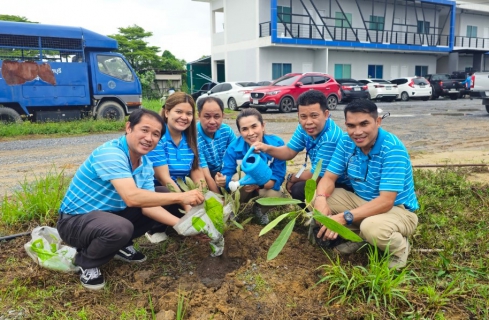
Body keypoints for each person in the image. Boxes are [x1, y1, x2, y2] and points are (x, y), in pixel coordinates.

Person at [57, 109, 205, 290]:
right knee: (121, 227)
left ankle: (120, 245)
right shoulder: (111, 153)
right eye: (144, 130)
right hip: (75, 222)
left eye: (156, 134)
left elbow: (150, 207)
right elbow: (132, 197)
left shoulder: (144, 164)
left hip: (108, 215)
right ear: (129, 128)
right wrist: (182, 196)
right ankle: (86, 261)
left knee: (159, 193)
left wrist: (185, 227)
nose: (149, 138)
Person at [314, 99, 419, 269]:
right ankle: (361, 239)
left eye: (364, 124)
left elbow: (386, 201)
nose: (357, 132)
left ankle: (399, 248)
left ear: (378, 122)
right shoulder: (347, 142)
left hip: (398, 211)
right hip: (362, 202)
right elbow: (328, 178)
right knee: (317, 199)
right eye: (351, 126)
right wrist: (320, 198)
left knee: (371, 227)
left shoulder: (392, 149)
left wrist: (342, 217)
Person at [252, 90, 349, 207]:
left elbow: (316, 176)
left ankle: (320, 220)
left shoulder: (330, 137)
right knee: (298, 187)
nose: (308, 122)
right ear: (298, 115)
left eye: (314, 116)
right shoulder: (304, 128)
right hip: (323, 177)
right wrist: (266, 148)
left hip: (340, 182)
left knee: (298, 189)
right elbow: (289, 151)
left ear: (326, 114)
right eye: (303, 116)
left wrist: (292, 177)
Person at [146, 92, 206, 242]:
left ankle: (176, 221)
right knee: (165, 191)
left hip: (182, 189)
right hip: (160, 188)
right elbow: (163, 177)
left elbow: (196, 170)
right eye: (178, 112)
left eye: (189, 113)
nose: (184, 117)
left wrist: (201, 195)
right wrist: (188, 208)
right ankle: (154, 228)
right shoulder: (158, 137)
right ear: (167, 112)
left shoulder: (191, 137)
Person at [215, 108, 286, 224]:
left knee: (276, 193)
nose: (250, 133)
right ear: (239, 132)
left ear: (263, 126)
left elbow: (278, 178)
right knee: (240, 175)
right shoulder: (233, 148)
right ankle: (234, 210)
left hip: (264, 187)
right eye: (244, 129)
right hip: (242, 188)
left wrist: (257, 184)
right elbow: (227, 174)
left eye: (254, 126)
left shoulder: (276, 144)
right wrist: (223, 180)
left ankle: (260, 209)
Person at [196, 96, 237, 193]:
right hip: (205, 173)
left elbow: (235, 156)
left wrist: (225, 176)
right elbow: (205, 174)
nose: (212, 121)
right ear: (199, 115)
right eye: (207, 116)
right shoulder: (194, 136)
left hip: (225, 170)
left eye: (216, 116)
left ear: (223, 115)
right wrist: (220, 201)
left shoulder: (226, 131)